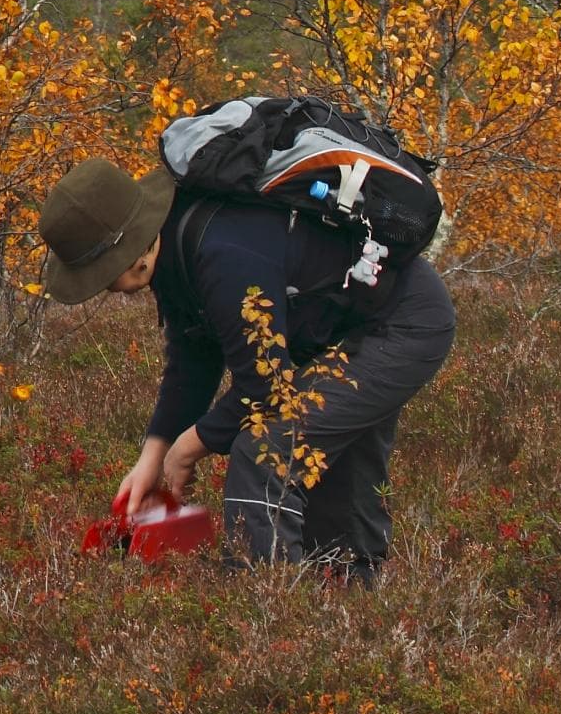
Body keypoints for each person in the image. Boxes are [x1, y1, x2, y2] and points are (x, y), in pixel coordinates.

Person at [38, 153, 454, 584]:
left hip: (402, 325)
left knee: (264, 451)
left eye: (100, 275)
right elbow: (193, 357)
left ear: (135, 257)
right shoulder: (177, 237)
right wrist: (154, 454)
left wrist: (188, 447)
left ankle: (269, 615)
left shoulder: (222, 253)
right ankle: (348, 609)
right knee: (325, 466)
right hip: (349, 328)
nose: (102, 287)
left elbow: (266, 385)